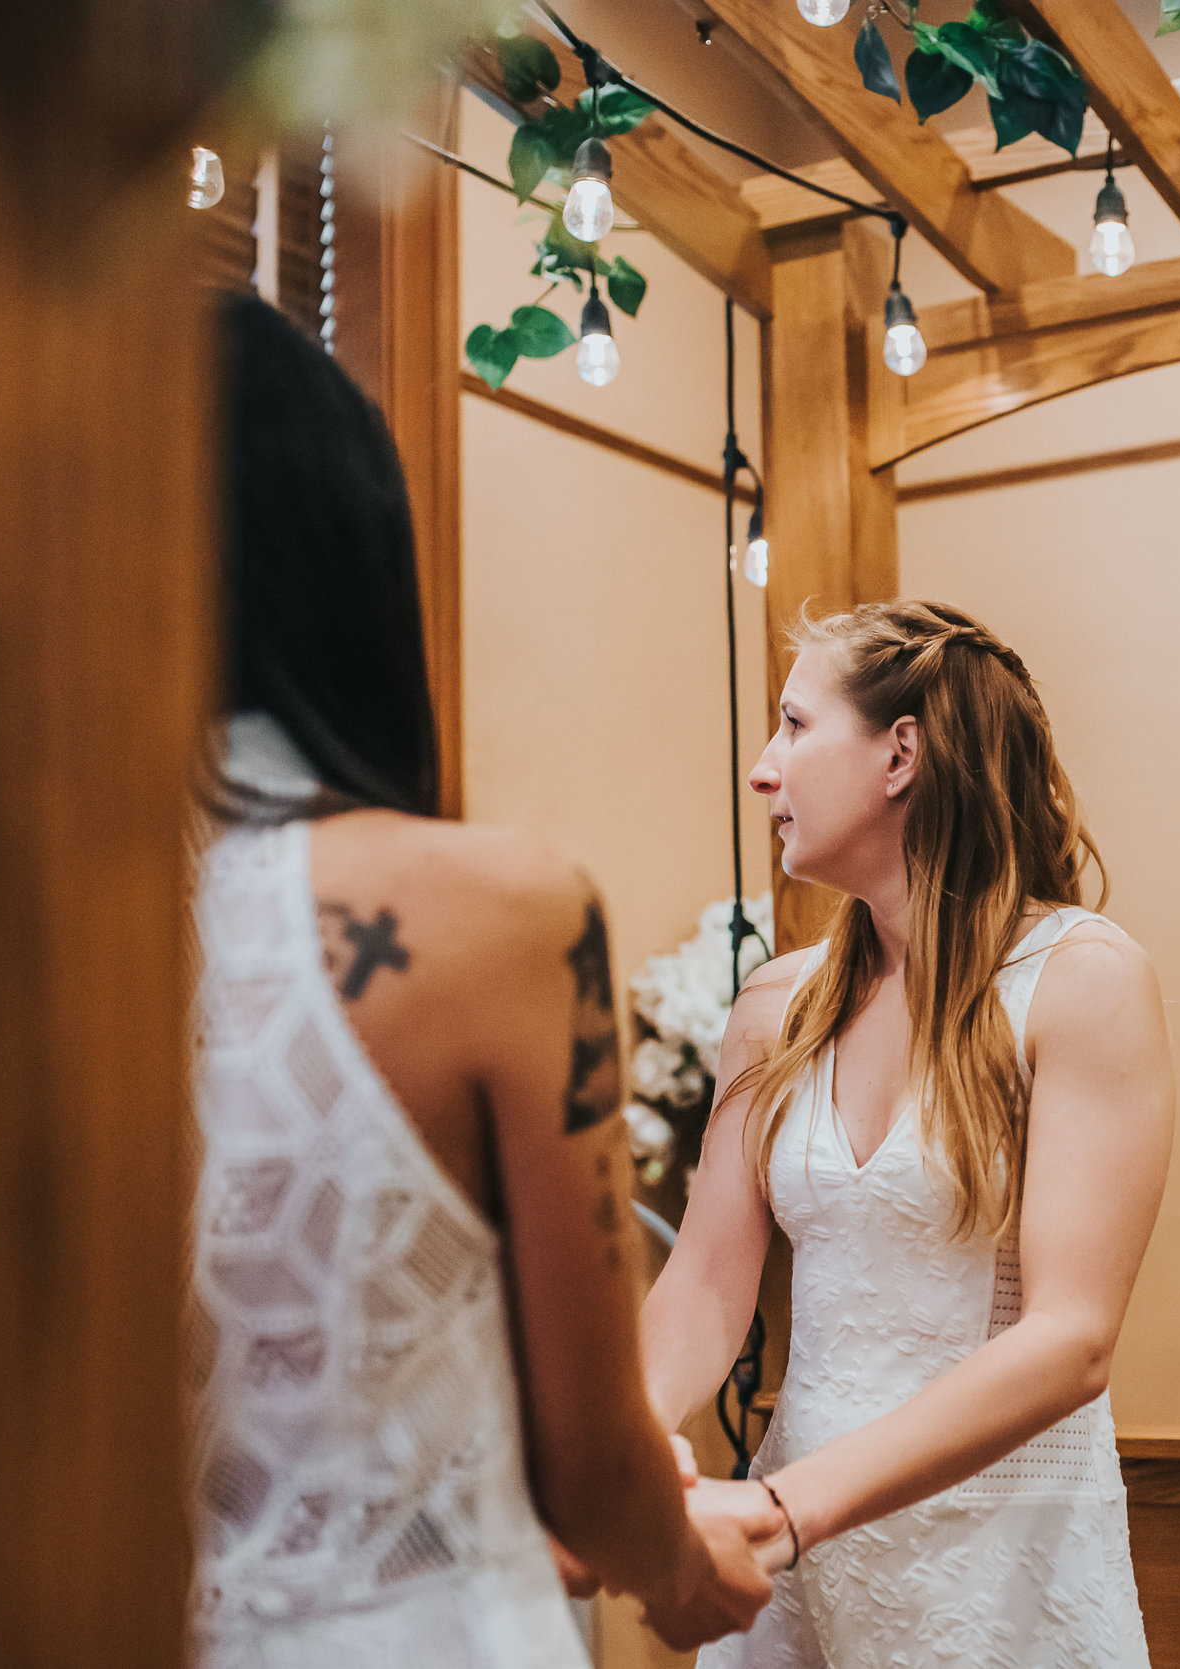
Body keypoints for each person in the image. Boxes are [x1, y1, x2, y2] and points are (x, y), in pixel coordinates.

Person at [188, 293, 771, 1665]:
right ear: (349, 556)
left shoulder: (1, 940)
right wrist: (675, 1560)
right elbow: (592, 1465)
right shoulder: (496, 911)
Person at [639, 601, 1176, 1667]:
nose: (762, 769)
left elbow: (1070, 1339)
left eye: (793, 726)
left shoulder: (1081, 981)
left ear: (900, 752)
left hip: (999, 1561)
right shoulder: (775, 1006)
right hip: (802, 1564)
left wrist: (789, 1508)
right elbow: (704, 1281)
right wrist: (629, 1450)